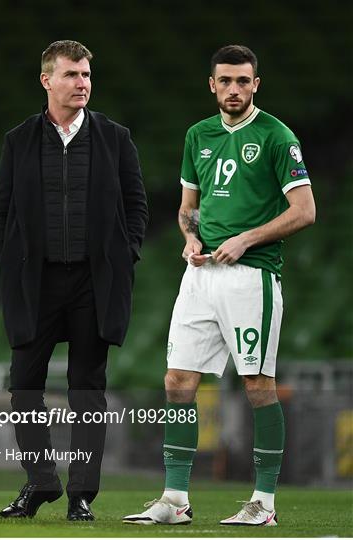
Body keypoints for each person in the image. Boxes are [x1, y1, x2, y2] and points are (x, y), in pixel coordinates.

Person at [123, 45, 315, 527]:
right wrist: (189, 237)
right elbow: (190, 206)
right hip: (200, 275)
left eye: (243, 81)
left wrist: (245, 239)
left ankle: (263, 504)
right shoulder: (198, 135)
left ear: (256, 85)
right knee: (178, 380)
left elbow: (305, 211)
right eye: (225, 81)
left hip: (252, 277)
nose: (234, 89)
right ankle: (174, 499)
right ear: (212, 84)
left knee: (256, 384)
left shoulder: (276, 135)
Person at [0, 40, 148, 521]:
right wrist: (6, 257)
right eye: (72, 75)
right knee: (23, 385)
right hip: (35, 283)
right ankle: (41, 482)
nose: (82, 83)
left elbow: (135, 203)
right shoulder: (18, 140)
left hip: (91, 282)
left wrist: (127, 254)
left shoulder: (115, 137)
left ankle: (82, 493)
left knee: (87, 389)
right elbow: (3, 209)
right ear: (47, 81)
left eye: (86, 75)